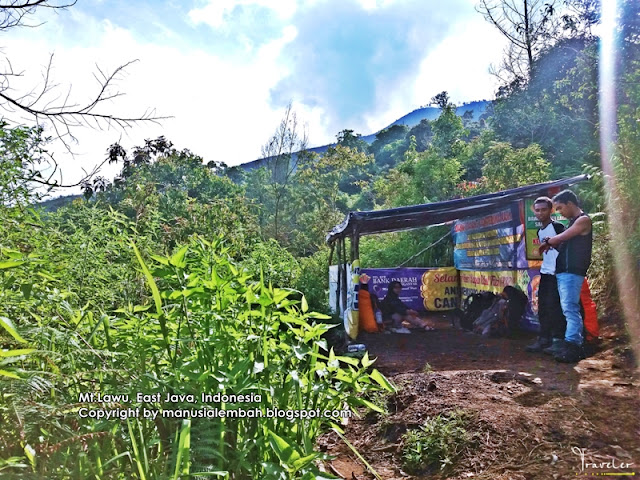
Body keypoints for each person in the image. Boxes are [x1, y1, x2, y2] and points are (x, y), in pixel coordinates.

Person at [539, 190, 592, 363]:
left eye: (560, 207)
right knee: (567, 309)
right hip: (564, 272)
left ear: (570, 203)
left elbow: (561, 238)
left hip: (572, 271)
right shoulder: (572, 222)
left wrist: (549, 242)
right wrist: (551, 244)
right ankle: (570, 344)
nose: (559, 212)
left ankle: (573, 345)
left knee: (570, 309)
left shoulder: (582, 220)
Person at [526, 196, 567, 353]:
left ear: (551, 210)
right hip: (545, 273)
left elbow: (566, 247)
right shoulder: (539, 231)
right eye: (537, 210)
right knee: (542, 307)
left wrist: (554, 245)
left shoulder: (558, 227)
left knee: (554, 307)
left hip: (557, 274)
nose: (540, 213)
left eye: (543, 210)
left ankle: (557, 341)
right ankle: (544, 339)